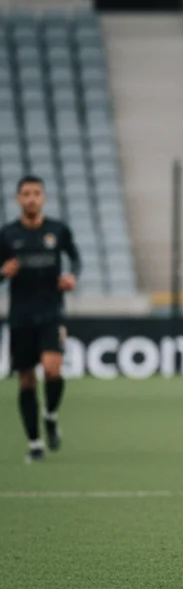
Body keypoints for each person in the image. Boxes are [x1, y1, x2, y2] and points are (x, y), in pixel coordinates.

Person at [0, 176, 80, 463]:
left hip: (51, 313)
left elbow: (75, 258)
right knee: (26, 379)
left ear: (43, 197)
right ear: (18, 199)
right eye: (26, 194)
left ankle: (50, 414)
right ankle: (35, 443)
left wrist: (72, 277)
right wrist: (2, 272)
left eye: (36, 193)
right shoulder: (8, 234)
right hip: (21, 317)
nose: (31, 198)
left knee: (53, 369)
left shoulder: (58, 230)